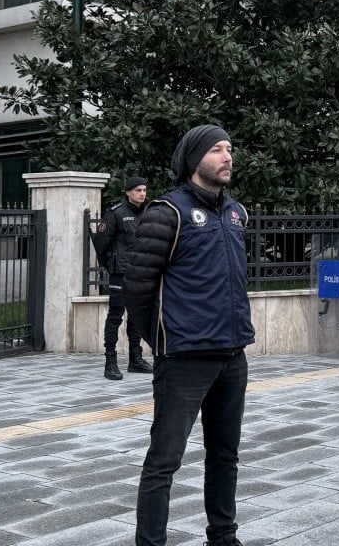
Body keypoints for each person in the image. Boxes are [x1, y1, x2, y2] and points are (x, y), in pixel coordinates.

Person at [124, 124, 254, 546]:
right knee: (164, 460)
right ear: (194, 157)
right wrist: (160, 340)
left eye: (229, 149)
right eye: (217, 150)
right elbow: (139, 286)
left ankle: (223, 535)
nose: (227, 157)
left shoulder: (236, 213)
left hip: (232, 354)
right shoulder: (168, 212)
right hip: (184, 358)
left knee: (225, 455)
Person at [91, 176, 155, 380]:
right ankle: (110, 362)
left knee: (136, 316)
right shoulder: (115, 213)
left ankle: (135, 359)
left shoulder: (148, 212)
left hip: (141, 272)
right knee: (115, 316)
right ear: (128, 192)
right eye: (138, 190)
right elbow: (101, 243)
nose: (142, 194)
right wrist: (111, 265)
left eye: (144, 190)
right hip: (120, 272)